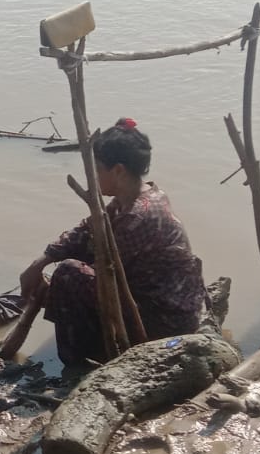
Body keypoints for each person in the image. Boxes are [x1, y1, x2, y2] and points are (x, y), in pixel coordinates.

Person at [17, 118, 206, 367]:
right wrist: (42, 260)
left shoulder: (138, 217)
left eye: (97, 170)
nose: (93, 177)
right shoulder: (135, 198)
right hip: (157, 302)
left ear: (118, 171)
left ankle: (76, 364)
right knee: (71, 265)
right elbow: (89, 230)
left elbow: (102, 269)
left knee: (68, 274)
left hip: (165, 321)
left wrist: (50, 288)